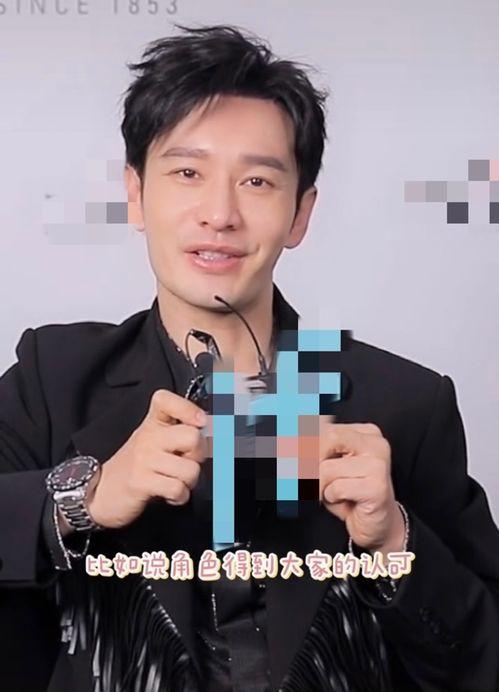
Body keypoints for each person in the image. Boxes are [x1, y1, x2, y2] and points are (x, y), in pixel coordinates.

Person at [1, 23, 499, 692]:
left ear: (300, 214)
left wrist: (395, 541)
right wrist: (82, 499)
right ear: (136, 193)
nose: (220, 213)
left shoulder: (406, 404)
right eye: (187, 173)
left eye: (258, 181)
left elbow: (483, 660)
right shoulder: (53, 375)